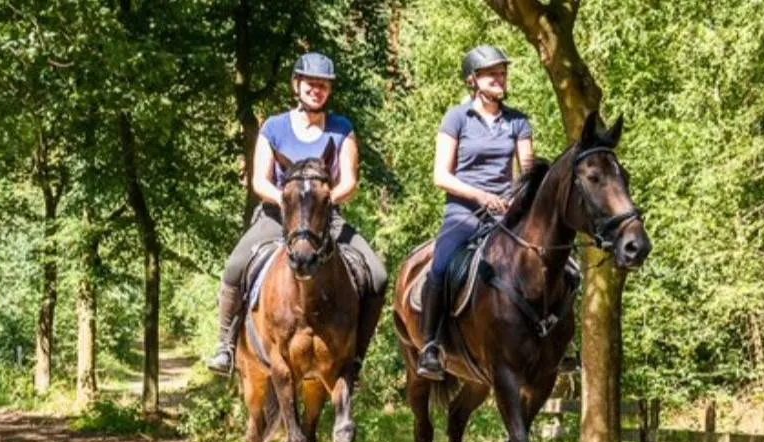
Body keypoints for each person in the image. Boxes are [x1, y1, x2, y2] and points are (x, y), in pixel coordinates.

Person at [207, 52, 388, 377]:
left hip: (325, 219)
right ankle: (225, 345)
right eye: (311, 84)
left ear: (329, 91)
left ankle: (355, 355)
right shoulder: (274, 127)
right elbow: (259, 179)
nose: (317, 90)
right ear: (297, 85)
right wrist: (287, 201)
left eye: (323, 85)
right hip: (277, 217)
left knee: (377, 275)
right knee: (235, 266)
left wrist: (326, 199)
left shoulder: (341, 128)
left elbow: (349, 179)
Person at [416, 45, 535, 380]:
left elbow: (526, 171)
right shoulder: (456, 118)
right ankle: (430, 345)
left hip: (507, 213)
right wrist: (481, 195)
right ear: (473, 80)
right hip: (464, 211)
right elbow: (441, 175)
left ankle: (558, 340)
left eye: (502, 73)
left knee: (555, 262)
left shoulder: (518, 122)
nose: (500, 79)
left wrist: (517, 199)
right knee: (441, 265)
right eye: (492, 74)